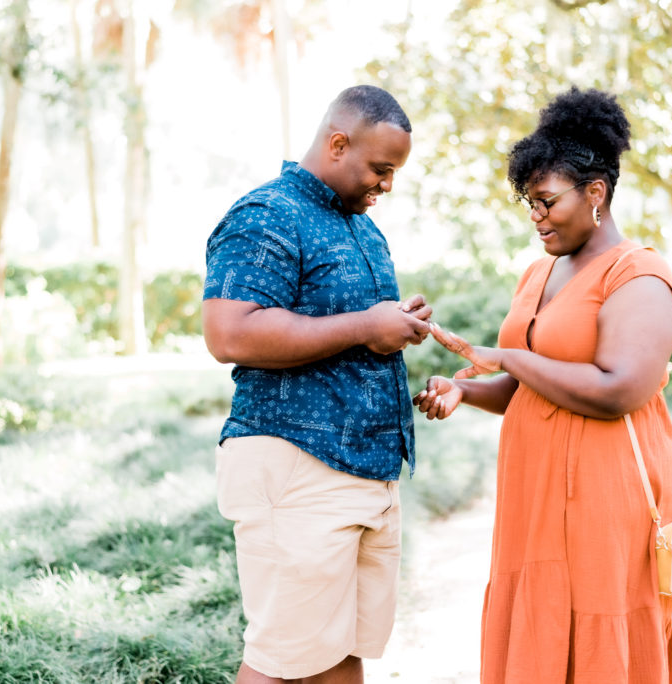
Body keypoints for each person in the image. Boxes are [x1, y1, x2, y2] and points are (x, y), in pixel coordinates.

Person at [414, 86, 672, 683]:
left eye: (545, 201)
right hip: (533, 491)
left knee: (598, 627)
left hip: (604, 495)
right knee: (537, 626)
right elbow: (525, 388)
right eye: (527, 203)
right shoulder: (540, 271)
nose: (535, 217)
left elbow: (620, 390)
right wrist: (466, 389)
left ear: (596, 193)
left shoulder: (638, 275)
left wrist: (508, 357)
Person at [202, 85, 432, 684]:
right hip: (297, 468)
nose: (387, 186)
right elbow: (230, 332)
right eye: (381, 170)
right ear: (337, 143)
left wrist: (393, 324)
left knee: (339, 656)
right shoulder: (267, 215)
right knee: (282, 662)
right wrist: (365, 325)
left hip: (366, 473)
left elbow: (351, 330)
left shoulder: (362, 227)